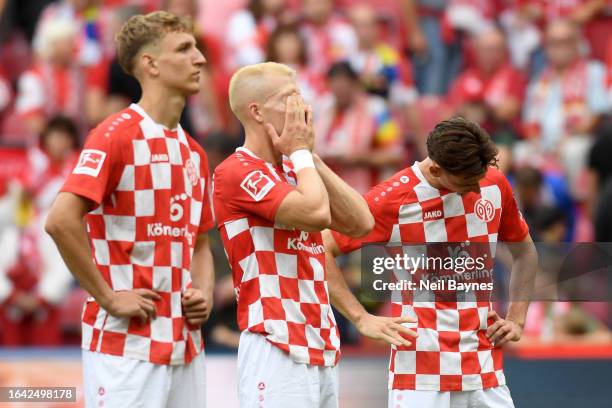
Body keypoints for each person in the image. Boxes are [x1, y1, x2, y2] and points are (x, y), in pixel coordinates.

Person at [213, 62, 417, 407]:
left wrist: (310, 157)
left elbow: (361, 223)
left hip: (320, 341)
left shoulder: (298, 166)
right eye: (289, 99)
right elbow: (316, 214)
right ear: (257, 112)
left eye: (301, 98)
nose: (302, 109)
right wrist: (301, 152)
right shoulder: (236, 171)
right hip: (275, 342)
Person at [45, 11, 214, 408]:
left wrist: (204, 291)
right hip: (126, 347)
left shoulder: (196, 152)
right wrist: (107, 297)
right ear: (150, 64)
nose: (200, 58)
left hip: (186, 346)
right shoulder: (114, 135)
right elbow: (59, 221)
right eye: (185, 48)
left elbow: (201, 242)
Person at [325, 117, 538, 408]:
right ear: (436, 169)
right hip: (419, 375)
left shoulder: (492, 181)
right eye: (467, 184)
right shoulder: (392, 200)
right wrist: (361, 317)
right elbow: (321, 248)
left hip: (483, 366)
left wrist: (516, 317)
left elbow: (525, 252)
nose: (477, 189)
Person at [521, 19, 610, 195]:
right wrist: (538, 145)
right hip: (542, 144)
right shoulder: (539, 81)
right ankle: (522, 215)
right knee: (519, 152)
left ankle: (580, 212)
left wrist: (567, 138)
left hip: (577, 139)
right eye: (554, 42)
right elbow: (529, 122)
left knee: (574, 151)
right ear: (546, 47)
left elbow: (599, 114)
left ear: (577, 43)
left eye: (566, 41)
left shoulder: (593, 71)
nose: (560, 48)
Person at [314, 61, 402, 195]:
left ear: (356, 85)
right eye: (336, 87)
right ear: (329, 85)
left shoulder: (376, 109)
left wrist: (358, 159)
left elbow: (395, 154)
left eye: (345, 86)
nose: (341, 92)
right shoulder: (321, 109)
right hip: (326, 194)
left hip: (366, 195)